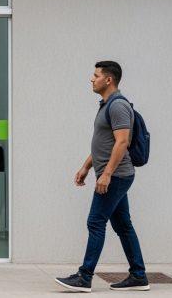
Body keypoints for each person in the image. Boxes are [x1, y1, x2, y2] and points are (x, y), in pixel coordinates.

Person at [55, 61, 149, 293]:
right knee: (123, 225)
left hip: (116, 175)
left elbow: (122, 142)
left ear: (108, 80)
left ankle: (84, 277)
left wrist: (106, 174)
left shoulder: (118, 106)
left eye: (96, 75)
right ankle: (139, 276)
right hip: (113, 174)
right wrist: (86, 167)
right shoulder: (106, 105)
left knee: (95, 222)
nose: (91, 79)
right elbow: (103, 144)